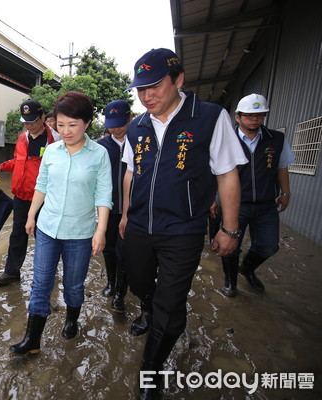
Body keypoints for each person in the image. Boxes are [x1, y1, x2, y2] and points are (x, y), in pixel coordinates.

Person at [118, 49, 247, 399]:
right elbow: (132, 172)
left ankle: (150, 375)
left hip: (184, 228)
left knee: (170, 304)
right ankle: (151, 308)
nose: (147, 96)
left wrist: (230, 228)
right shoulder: (139, 126)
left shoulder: (209, 117)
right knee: (140, 283)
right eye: (140, 89)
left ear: (179, 80)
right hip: (141, 226)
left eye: (155, 86)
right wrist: (127, 213)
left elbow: (227, 173)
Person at [9, 91, 112, 355]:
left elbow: (103, 194)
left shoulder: (99, 154)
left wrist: (101, 230)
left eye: (73, 125)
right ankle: (32, 340)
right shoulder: (52, 151)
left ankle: (72, 319)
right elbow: (41, 185)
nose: (65, 131)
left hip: (79, 233)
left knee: (74, 285)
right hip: (48, 228)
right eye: (61, 124)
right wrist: (31, 215)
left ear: (87, 123)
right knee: (41, 283)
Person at [213, 93, 295, 297]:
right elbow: (215, 172)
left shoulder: (275, 139)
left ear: (264, 117)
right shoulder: (225, 140)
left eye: (258, 115)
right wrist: (212, 199)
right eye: (248, 115)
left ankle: (247, 268)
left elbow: (282, 167)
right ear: (238, 117)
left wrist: (285, 192)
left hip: (266, 204)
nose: (254, 119)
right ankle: (230, 283)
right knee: (230, 245)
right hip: (235, 204)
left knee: (269, 245)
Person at [0, 99, 60, 286]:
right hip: (21, 196)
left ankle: (48, 274)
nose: (29, 125)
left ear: (43, 117)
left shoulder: (55, 140)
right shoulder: (22, 138)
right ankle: (12, 272)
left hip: (44, 198)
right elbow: (18, 162)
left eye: (33, 121)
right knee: (17, 235)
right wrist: (1, 167)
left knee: (45, 237)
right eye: (25, 121)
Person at [96, 99, 132, 312]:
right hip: (107, 208)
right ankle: (111, 282)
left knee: (125, 251)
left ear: (130, 118)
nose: (116, 128)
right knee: (108, 249)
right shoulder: (100, 147)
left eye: (121, 123)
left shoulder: (139, 142)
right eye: (111, 124)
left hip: (132, 209)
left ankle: (121, 292)